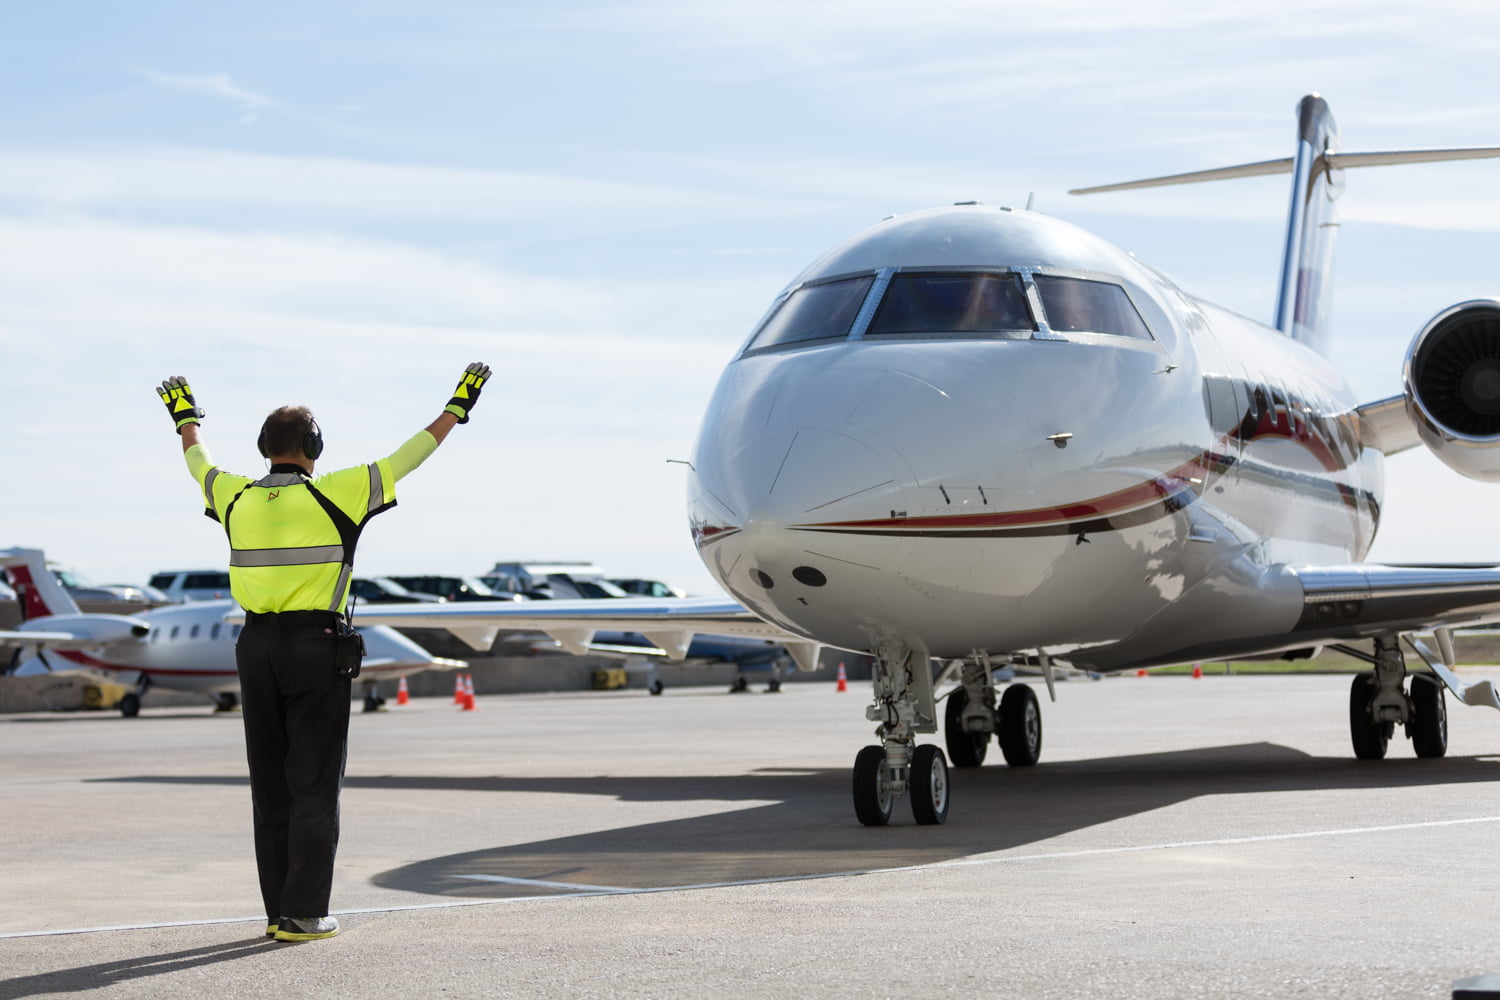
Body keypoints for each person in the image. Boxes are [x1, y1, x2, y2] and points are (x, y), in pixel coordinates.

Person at [156, 363, 491, 942]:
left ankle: (276, 912)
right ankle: (304, 914)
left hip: (254, 646)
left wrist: (186, 418)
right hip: (316, 647)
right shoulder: (341, 489)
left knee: (270, 784)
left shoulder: (234, 495)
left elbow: (197, 462)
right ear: (314, 447)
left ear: (264, 448)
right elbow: (412, 454)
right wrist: (456, 408)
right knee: (313, 783)